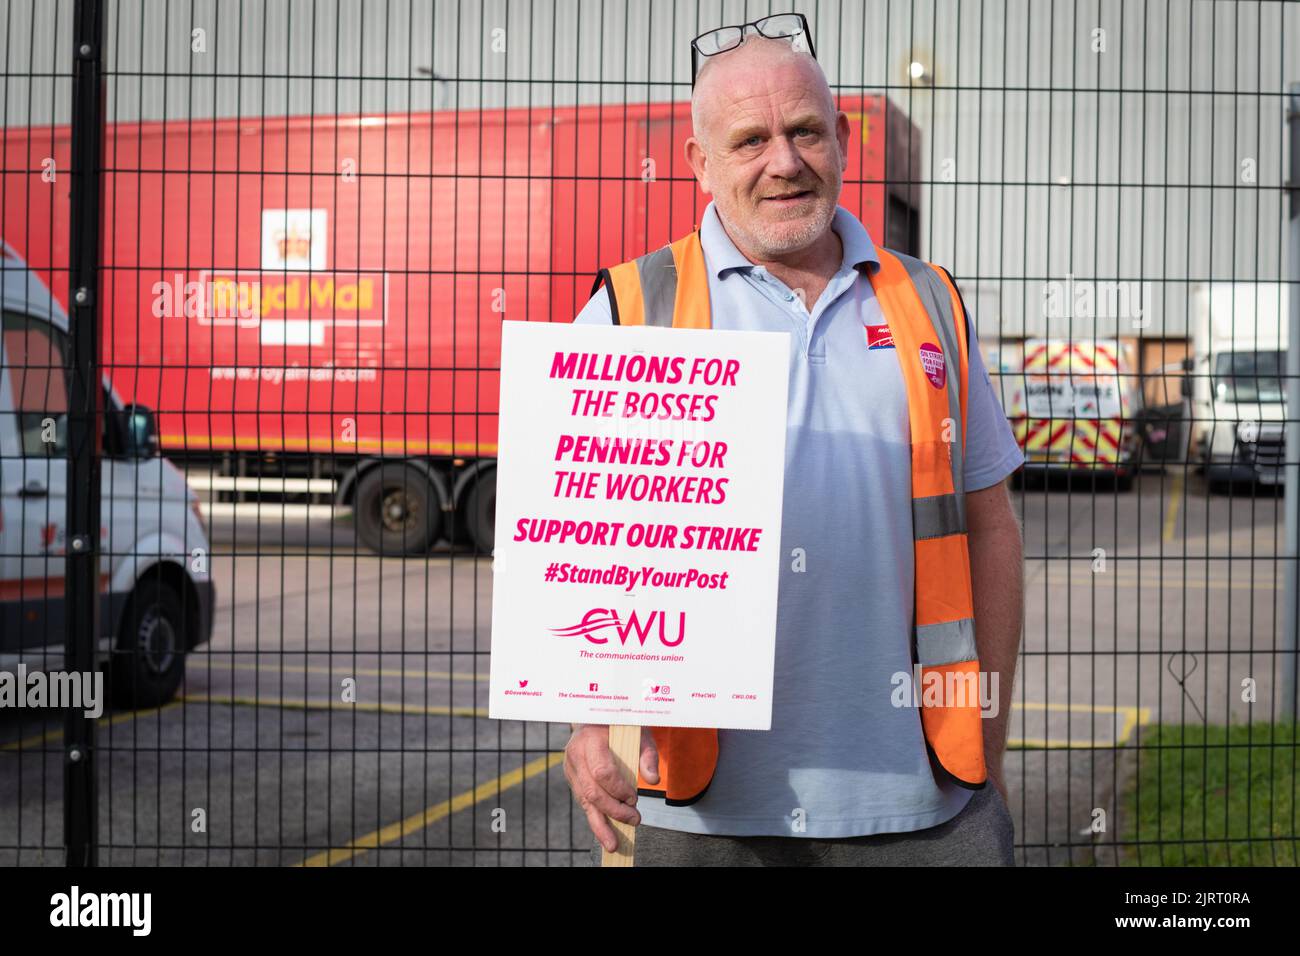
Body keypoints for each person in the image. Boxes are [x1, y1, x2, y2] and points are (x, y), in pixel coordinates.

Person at [563, 23, 1025, 866]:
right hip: (700, 811)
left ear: (842, 139)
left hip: (929, 799)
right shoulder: (634, 310)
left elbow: (991, 527)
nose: (784, 161)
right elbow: (590, 549)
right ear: (701, 163)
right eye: (750, 140)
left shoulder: (929, 302)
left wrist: (986, 746)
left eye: (805, 130)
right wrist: (590, 724)